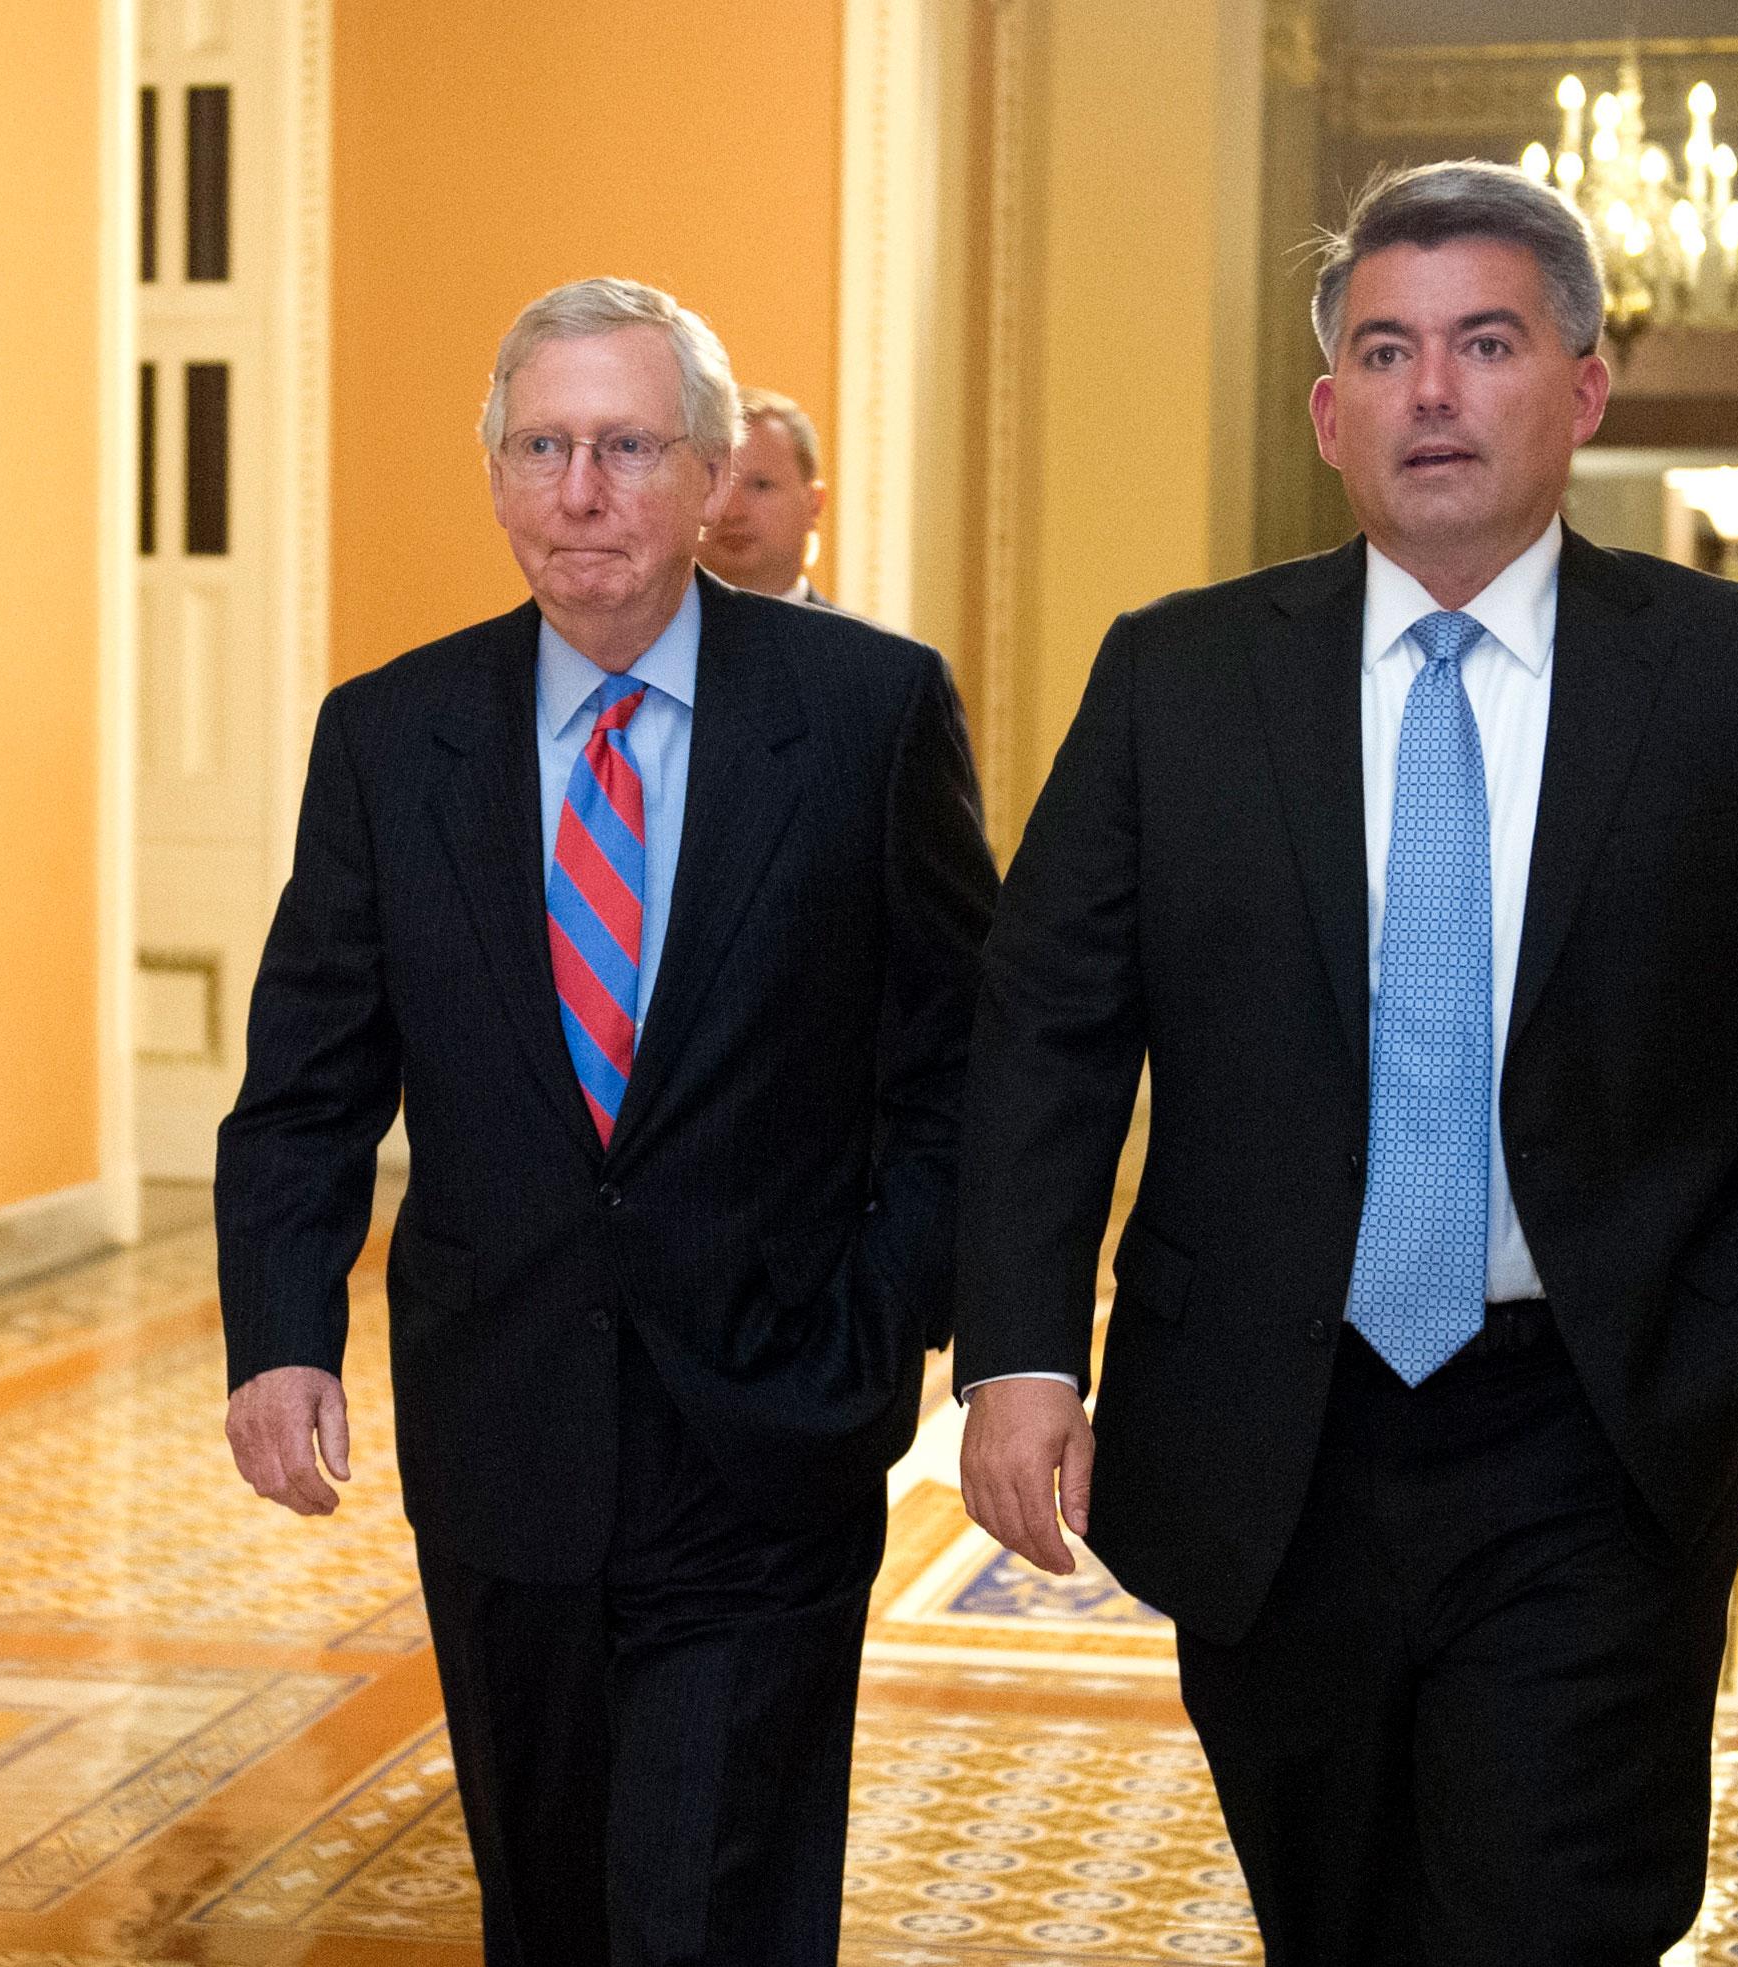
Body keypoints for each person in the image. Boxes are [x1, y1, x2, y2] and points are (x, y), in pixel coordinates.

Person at [953, 160, 1738, 1964]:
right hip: (1266, 1427)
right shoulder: (1178, 680)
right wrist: (1017, 1349)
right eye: (1387, 354)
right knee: (1340, 1910)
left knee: (1554, 1907)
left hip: (1599, 1422)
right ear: (1330, 414)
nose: (1434, 392)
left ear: (1585, 383)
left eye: (1485, 343)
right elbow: (1048, 1034)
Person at [215, 276, 996, 1965]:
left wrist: (885, 1322)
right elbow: (308, 1079)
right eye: (546, 447)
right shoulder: (390, 735)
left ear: (715, 477)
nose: (584, 491)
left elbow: (962, 1066)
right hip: (505, 1428)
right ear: (498, 478)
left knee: (710, 1905)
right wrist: (280, 1335)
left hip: (773, 1417)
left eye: (630, 447)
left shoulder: (866, 716)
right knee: (550, 1904)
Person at [696, 385, 830, 603]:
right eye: (714, 484)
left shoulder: (857, 638)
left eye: (761, 485)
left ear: (813, 503)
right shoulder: (641, 637)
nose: (732, 512)